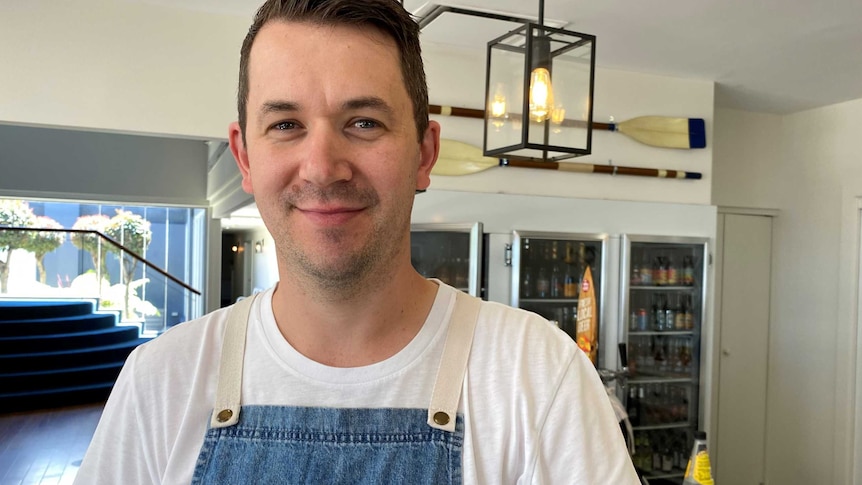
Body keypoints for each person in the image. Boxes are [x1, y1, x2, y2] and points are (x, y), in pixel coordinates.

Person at [75, 0, 640, 483]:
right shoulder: (160, 382)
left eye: (364, 122)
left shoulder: (539, 376)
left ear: (423, 152)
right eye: (286, 125)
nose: (322, 168)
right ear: (245, 156)